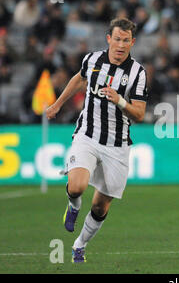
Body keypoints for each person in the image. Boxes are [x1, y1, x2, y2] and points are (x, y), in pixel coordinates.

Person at [46, 18, 148, 263]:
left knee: (101, 207)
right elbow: (80, 79)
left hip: (118, 145)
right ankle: (73, 206)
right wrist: (58, 104)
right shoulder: (92, 60)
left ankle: (79, 245)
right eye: (117, 39)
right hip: (87, 136)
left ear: (132, 42)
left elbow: (140, 114)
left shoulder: (138, 73)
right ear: (108, 39)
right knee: (77, 186)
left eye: (126, 40)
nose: (121, 45)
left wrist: (120, 101)